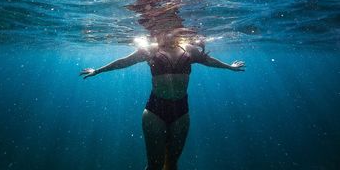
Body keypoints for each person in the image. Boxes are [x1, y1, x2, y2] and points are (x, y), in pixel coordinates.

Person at [80, 28, 245, 170]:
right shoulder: (150, 50)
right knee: (154, 166)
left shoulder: (188, 48)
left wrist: (229, 67)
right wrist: (98, 71)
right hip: (155, 110)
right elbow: (125, 62)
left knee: (172, 164)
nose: (168, 33)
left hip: (181, 111)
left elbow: (208, 61)